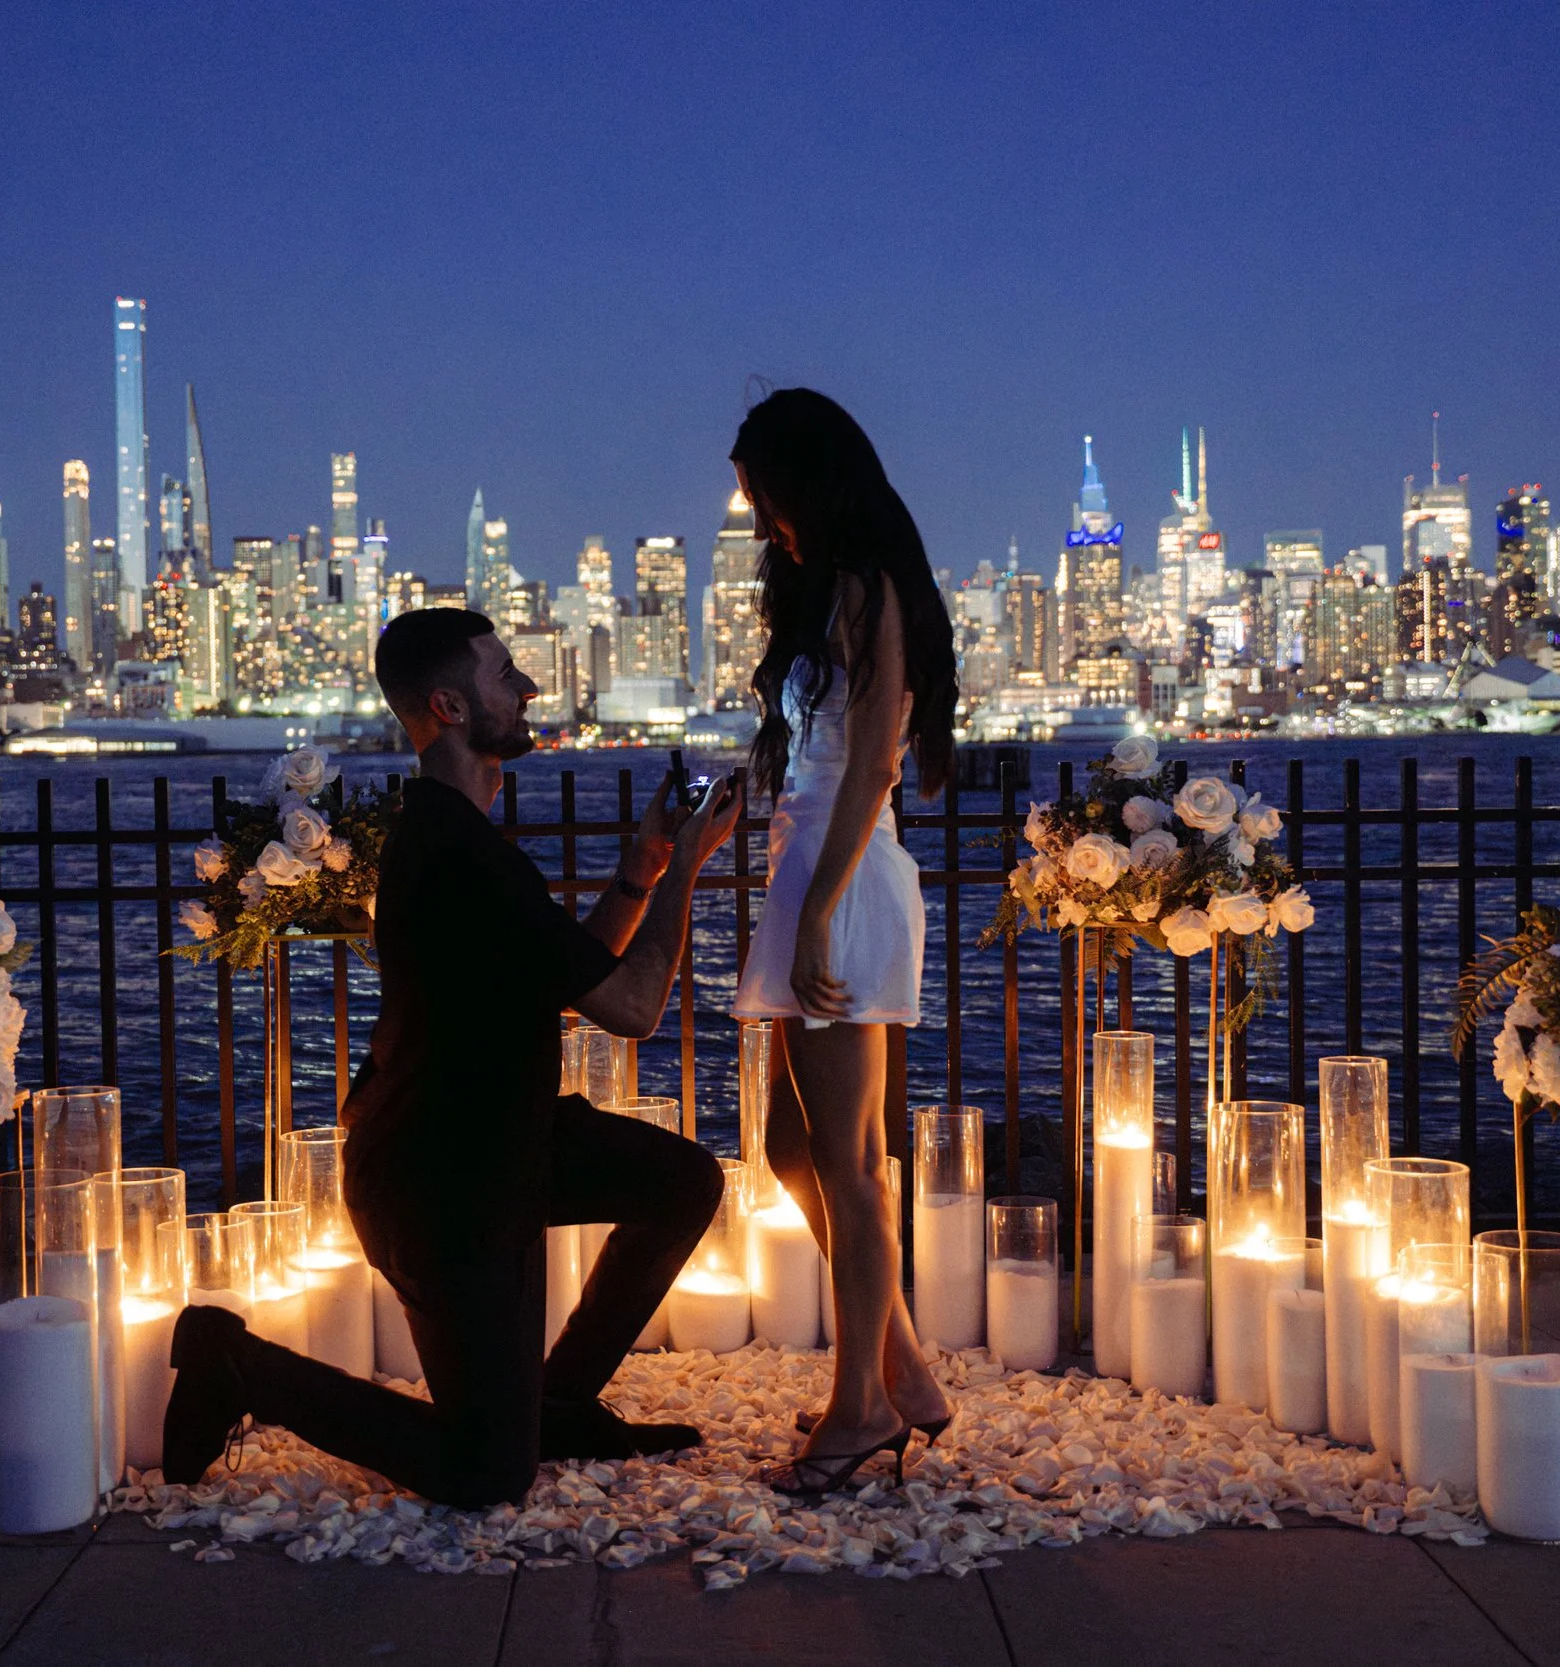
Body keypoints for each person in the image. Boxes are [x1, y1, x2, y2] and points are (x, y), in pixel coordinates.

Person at [161, 608, 741, 1507]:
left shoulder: (452, 837)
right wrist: (695, 865)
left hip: (501, 1143)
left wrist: (646, 864)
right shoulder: (460, 852)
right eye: (507, 676)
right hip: (442, 1191)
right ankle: (231, 1361)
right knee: (484, 1474)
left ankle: (548, 1406)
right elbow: (629, 1007)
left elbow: (574, 973)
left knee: (682, 1180)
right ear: (451, 705)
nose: (530, 690)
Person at [728, 388, 961, 1495]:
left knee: (853, 1168)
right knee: (790, 1150)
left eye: (763, 491)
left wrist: (819, 906)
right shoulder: (827, 593)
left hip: (845, 872)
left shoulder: (869, 591)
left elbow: (873, 763)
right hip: (807, 862)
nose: (754, 512)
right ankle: (906, 1368)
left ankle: (862, 1403)